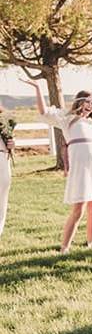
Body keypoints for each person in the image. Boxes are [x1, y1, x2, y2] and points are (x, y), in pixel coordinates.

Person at [23, 79, 92, 253]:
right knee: (79, 208)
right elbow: (44, 112)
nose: (89, 105)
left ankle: (90, 244)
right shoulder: (68, 119)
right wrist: (38, 88)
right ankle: (65, 247)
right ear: (79, 102)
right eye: (86, 101)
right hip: (80, 167)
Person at [0, 103, 13, 241]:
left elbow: (8, 145)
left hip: (3, 159)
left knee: (2, 198)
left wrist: (11, 145)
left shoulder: (4, 122)